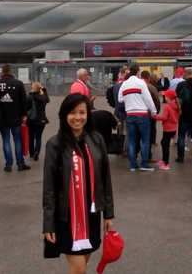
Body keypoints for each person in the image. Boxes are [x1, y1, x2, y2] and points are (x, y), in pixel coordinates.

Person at [43, 93, 115, 274]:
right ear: (64, 115)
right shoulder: (55, 144)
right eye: (72, 113)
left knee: (83, 261)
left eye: (82, 113)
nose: (77, 117)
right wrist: (48, 224)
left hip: (91, 213)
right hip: (66, 217)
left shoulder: (97, 139)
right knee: (79, 269)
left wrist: (108, 213)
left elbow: (105, 178)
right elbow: (49, 188)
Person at [117, 64, 157, 171]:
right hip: (142, 115)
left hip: (129, 114)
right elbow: (148, 99)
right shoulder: (141, 83)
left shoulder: (124, 84)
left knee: (131, 140)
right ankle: (144, 164)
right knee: (145, 140)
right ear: (138, 72)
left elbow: (120, 99)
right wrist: (153, 111)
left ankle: (133, 165)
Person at [0, 64, 31, 172]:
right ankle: (20, 163)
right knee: (17, 140)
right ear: (11, 71)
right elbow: (24, 101)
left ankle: (8, 165)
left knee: (6, 140)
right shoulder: (18, 83)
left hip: (2, 117)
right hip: (16, 116)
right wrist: (24, 115)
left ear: (2, 72)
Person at [153, 89, 181, 170]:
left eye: (164, 95)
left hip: (167, 129)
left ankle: (166, 163)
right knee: (164, 143)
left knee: (165, 145)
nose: (163, 96)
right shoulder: (176, 105)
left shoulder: (167, 106)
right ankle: (164, 160)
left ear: (167, 97)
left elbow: (164, 117)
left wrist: (156, 117)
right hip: (173, 128)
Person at [27, 82, 50, 162]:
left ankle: (32, 152)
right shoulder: (43, 97)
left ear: (33, 88)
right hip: (41, 119)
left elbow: (26, 107)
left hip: (31, 119)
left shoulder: (30, 97)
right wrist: (45, 91)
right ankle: (37, 152)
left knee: (31, 136)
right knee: (38, 137)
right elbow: (48, 100)